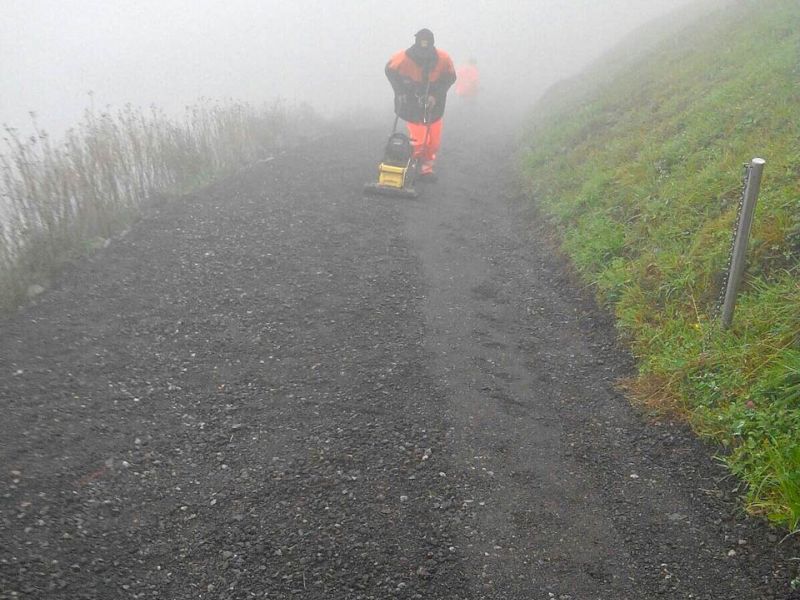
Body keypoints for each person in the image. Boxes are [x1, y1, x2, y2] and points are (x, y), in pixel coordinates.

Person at [385, 28, 456, 178]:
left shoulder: (443, 58)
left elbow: (450, 77)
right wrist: (400, 92)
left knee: (433, 143)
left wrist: (435, 95)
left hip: (434, 106)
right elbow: (389, 71)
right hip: (411, 103)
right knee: (420, 140)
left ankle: (426, 168)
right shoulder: (403, 57)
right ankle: (412, 165)